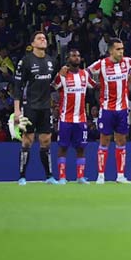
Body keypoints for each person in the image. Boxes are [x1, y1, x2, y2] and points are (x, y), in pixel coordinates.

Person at [13, 31, 57, 184]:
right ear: (32, 44)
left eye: (44, 38)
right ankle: (22, 176)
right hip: (30, 106)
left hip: (45, 107)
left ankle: (49, 176)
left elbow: (54, 83)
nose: (43, 40)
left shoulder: (51, 61)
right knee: (27, 140)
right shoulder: (25, 61)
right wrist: (17, 110)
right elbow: (18, 87)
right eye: (39, 38)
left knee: (46, 141)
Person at [88, 38, 131, 184]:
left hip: (122, 109)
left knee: (121, 141)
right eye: (118, 49)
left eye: (122, 49)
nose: (121, 52)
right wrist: (94, 85)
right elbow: (85, 73)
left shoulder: (127, 62)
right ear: (111, 51)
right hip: (107, 109)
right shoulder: (101, 64)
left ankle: (120, 175)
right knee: (104, 140)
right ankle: (101, 175)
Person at [51, 48, 93, 184]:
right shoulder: (63, 74)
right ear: (68, 59)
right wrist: (59, 74)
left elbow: (94, 85)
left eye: (78, 56)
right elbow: (52, 86)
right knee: (63, 147)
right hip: (65, 119)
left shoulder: (84, 74)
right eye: (73, 56)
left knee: (81, 148)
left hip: (81, 119)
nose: (77, 58)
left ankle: (80, 177)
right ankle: (62, 177)